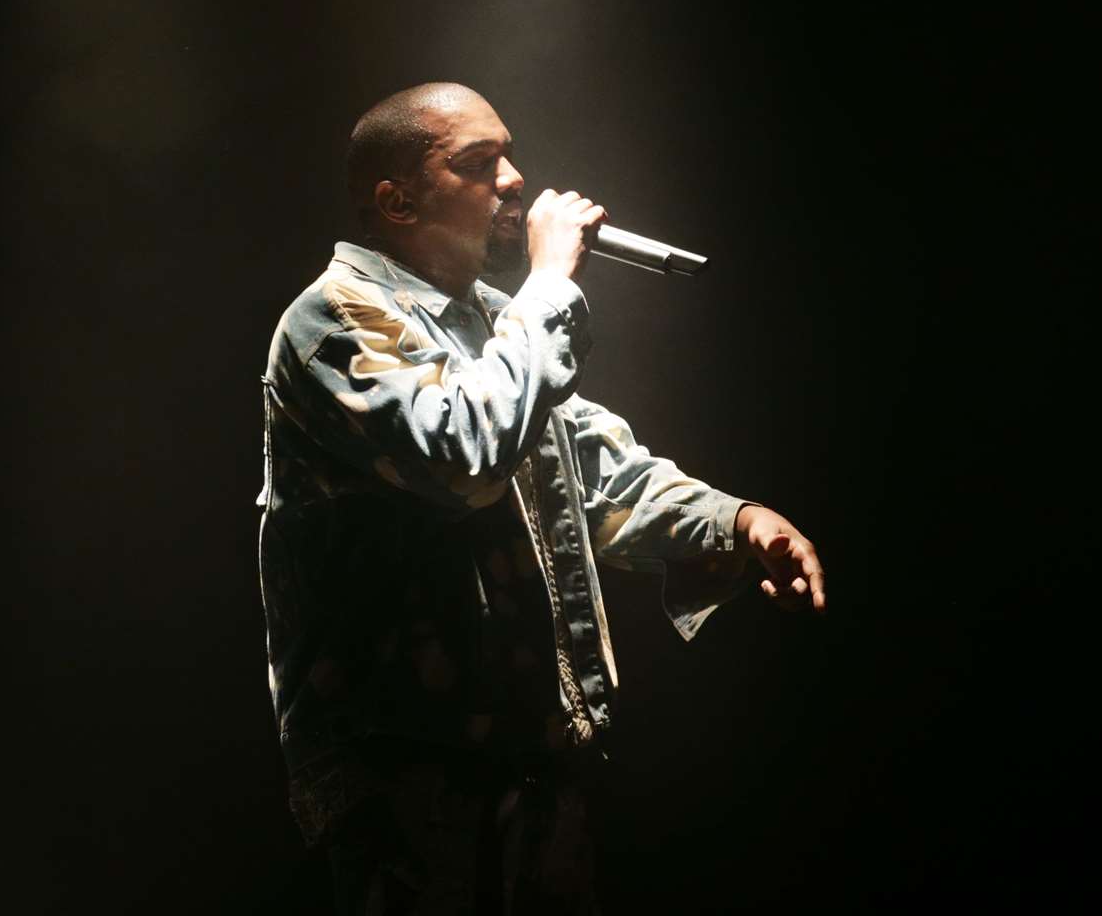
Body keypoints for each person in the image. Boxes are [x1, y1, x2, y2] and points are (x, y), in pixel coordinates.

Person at [258, 82, 825, 913]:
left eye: (510, 154)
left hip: (533, 758)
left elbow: (598, 475)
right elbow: (463, 453)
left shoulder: (496, 324)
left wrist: (735, 522)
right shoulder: (333, 321)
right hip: (407, 772)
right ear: (396, 198)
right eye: (480, 163)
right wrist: (552, 280)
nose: (516, 181)